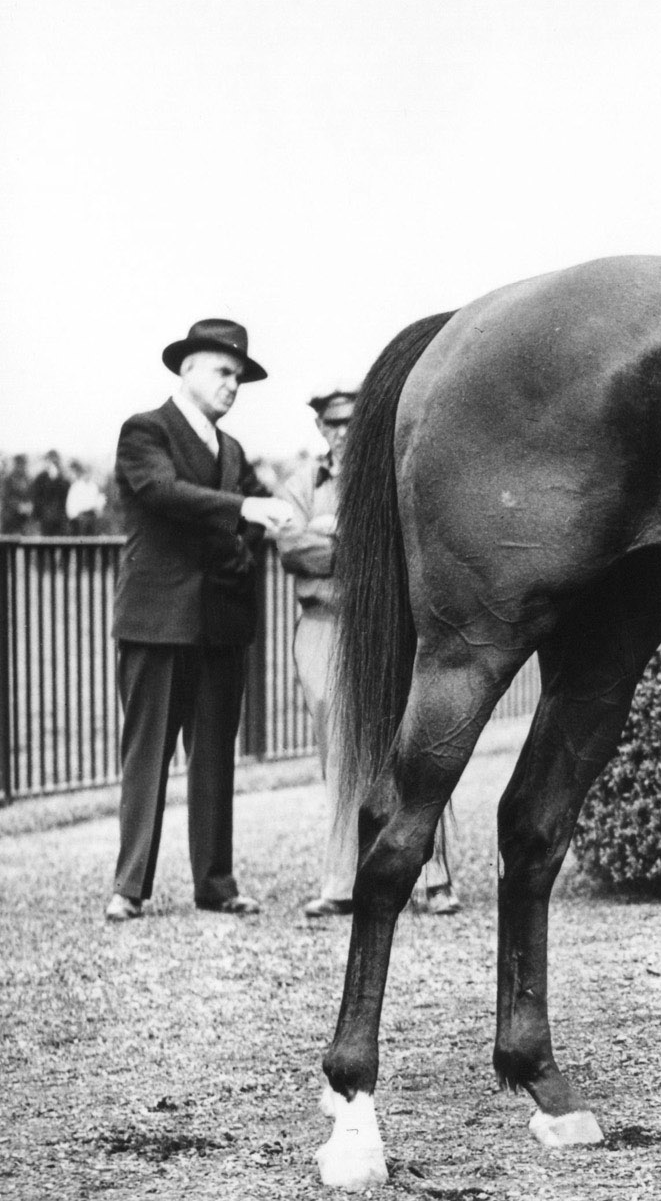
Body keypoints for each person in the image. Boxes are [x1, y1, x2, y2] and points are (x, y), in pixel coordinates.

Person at [105, 319, 297, 921]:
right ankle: (129, 885)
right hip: (158, 620)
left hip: (219, 621)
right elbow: (163, 495)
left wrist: (254, 530)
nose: (232, 385)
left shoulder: (232, 451)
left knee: (215, 753)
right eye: (222, 371)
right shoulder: (145, 431)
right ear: (186, 370)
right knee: (149, 752)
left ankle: (216, 882)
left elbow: (246, 521)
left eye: (238, 376)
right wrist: (246, 507)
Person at [278, 390, 459, 918]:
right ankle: (340, 882)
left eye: (352, 421)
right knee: (336, 746)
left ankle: (432, 878)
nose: (342, 431)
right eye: (332, 422)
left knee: (410, 742)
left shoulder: (384, 476)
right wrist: (353, 545)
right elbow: (291, 551)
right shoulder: (300, 484)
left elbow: (396, 546)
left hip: (380, 624)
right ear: (319, 426)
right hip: (323, 627)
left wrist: (328, 535)